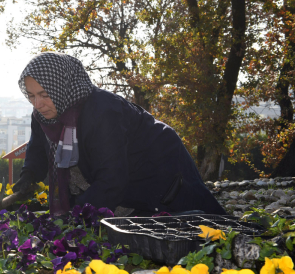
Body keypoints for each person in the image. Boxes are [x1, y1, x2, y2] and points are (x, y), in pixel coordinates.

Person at [13, 52, 225, 217]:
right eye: (31, 96)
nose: (37, 104)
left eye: (44, 94)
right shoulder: (44, 113)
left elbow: (111, 179)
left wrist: (77, 215)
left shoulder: (103, 112)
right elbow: (38, 148)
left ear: (63, 87)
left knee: (199, 229)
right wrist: (28, 176)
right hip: (119, 181)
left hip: (160, 174)